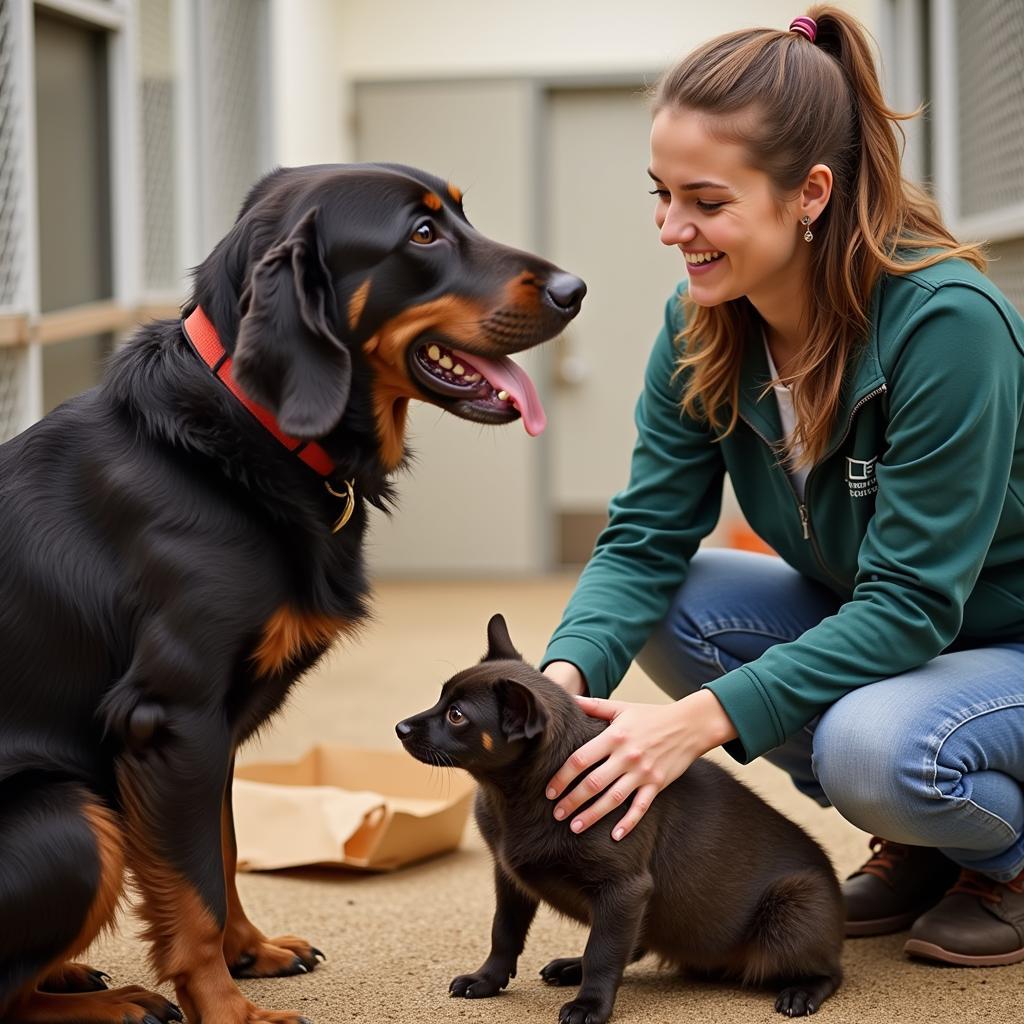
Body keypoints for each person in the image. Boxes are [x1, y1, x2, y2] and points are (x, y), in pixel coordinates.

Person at [540, 5, 1024, 968]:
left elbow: (913, 602)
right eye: (661, 193)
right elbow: (642, 541)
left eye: (705, 201)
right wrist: (555, 690)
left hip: (999, 638)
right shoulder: (699, 325)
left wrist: (697, 723)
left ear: (809, 193)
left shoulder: (947, 325)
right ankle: (926, 847)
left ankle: (1005, 856)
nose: (672, 228)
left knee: (872, 749)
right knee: (676, 599)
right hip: (899, 629)